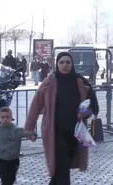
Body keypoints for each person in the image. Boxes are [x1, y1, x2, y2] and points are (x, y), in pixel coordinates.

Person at [24, 52, 99, 185]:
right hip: (55, 132)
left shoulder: (80, 81)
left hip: (75, 132)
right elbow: (35, 106)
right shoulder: (49, 82)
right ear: (57, 64)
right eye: (62, 62)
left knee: (62, 168)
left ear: (72, 64)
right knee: (62, 167)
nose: (65, 65)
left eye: (68, 62)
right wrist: (29, 129)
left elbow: (93, 104)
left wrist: (85, 112)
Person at [0, 107, 35, 185]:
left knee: (11, 178)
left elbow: (25, 133)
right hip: (0, 159)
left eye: (7, 117)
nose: (5, 119)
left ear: (11, 118)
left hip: (13, 159)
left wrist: (32, 135)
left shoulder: (16, 130)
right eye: (3, 117)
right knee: (5, 178)